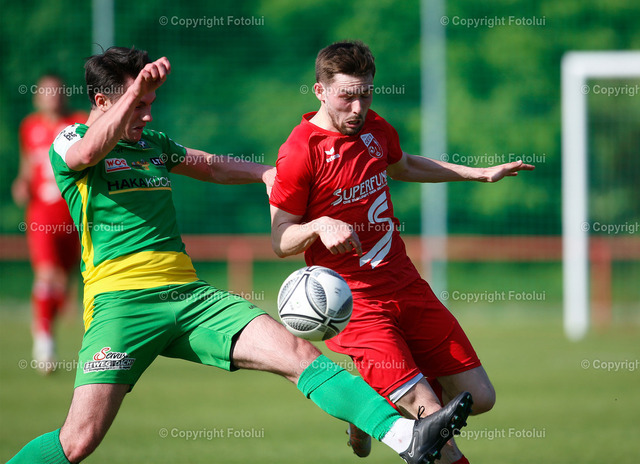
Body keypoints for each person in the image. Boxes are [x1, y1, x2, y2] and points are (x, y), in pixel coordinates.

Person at [7, 46, 472, 464]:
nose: (147, 115)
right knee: (79, 441)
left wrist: (266, 174)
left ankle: (405, 437)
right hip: (121, 305)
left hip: (190, 298)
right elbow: (86, 153)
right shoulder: (68, 138)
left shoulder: (152, 144)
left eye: (150, 103)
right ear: (103, 101)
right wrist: (134, 93)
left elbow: (210, 165)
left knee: (298, 353)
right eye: (138, 105)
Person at [269, 40, 534, 464]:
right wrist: (318, 225)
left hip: (405, 282)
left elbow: (404, 165)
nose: (358, 108)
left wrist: (478, 174)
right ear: (319, 91)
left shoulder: (374, 128)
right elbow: (280, 239)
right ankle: (384, 405)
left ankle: (368, 405)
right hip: (355, 302)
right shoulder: (300, 151)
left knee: (480, 397)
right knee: (433, 427)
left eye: (366, 94)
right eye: (347, 96)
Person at [12, 74, 86, 373]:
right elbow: (27, 165)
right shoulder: (29, 126)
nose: (52, 96)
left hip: (71, 214)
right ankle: (44, 341)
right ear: (37, 96)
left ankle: (44, 325)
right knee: (47, 273)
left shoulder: (78, 123)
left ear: (65, 94)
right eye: (46, 91)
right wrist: (22, 182)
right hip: (41, 214)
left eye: (57, 91)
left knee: (63, 282)